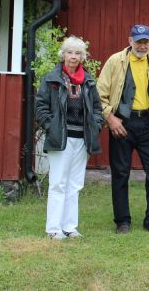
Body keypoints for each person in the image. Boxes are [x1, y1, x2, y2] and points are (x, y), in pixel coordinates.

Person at [97, 25, 149, 235]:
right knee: (120, 173)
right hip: (122, 123)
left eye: (146, 41)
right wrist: (110, 119)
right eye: (138, 41)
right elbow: (99, 94)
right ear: (130, 40)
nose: (142, 45)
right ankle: (122, 221)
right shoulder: (115, 61)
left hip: (147, 124)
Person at [35, 35, 104, 240]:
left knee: (75, 184)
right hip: (61, 138)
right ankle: (54, 228)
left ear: (82, 57)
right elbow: (40, 106)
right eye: (69, 52)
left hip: (82, 140)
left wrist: (96, 126)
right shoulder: (52, 79)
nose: (73, 57)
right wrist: (51, 126)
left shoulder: (89, 81)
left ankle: (70, 227)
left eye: (77, 53)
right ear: (63, 54)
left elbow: (98, 109)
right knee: (58, 183)